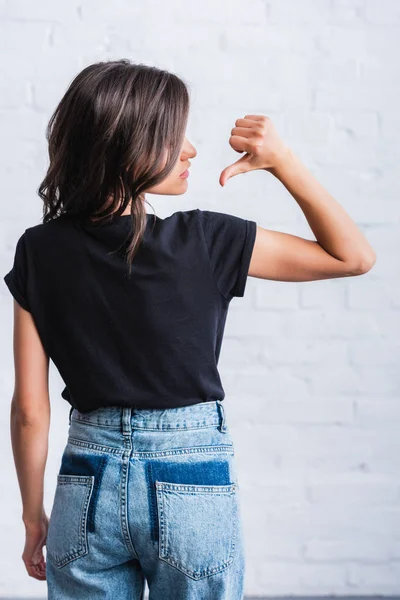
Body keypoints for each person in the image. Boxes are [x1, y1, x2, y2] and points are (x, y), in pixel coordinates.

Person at [3, 59, 376, 600]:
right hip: (191, 477)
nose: (192, 150)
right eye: (172, 136)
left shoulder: (38, 250)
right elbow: (354, 258)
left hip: (85, 482)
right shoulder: (206, 239)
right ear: (123, 144)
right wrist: (283, 162)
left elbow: (30, 410)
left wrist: (33, 516)